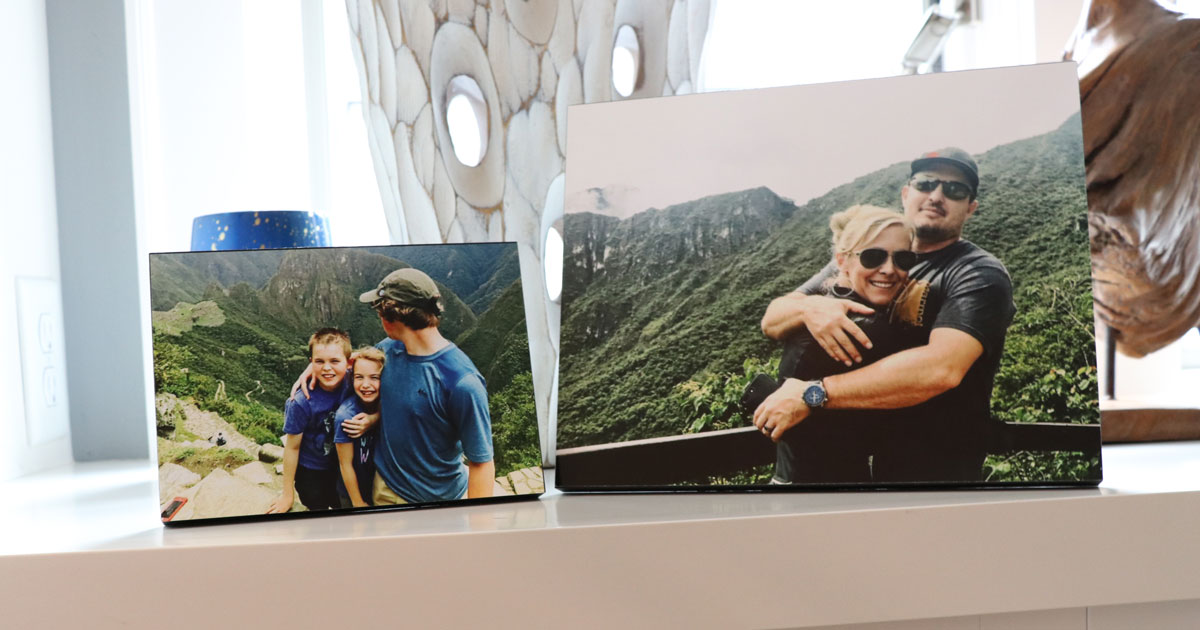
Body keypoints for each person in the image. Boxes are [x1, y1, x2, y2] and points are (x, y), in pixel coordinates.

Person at [755, 147, 1016, 481]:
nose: (936, 196)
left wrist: (812, 393)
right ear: (906, 194)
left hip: (938, 472)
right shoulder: (870, 255)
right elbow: (772, 318)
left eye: (955, 190)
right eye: (926, 184)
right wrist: (810, 307)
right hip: (862, 463)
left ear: (971, 208)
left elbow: (941, 369)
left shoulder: (977, 273)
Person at [771, 205, 924, 483]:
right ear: (842, 261)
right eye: (872, 257)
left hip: (791, 479)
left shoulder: (823, 309)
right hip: (826, 495)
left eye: (903, 259)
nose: (889, 270)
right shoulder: (864, 327)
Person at [358, 268, 495, 503]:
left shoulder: (462, 382)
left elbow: (481, 462)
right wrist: (313, 367)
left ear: (391, 315)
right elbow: (355, 361)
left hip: (440, 499)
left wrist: (478, 525)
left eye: (379, 308)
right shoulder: (389, 349)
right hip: (386, 488)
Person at [268, 328, 352, 513]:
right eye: (319, 361)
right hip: (311, 470)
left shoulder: (354, 381)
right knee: (316, 507)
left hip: (342, 466)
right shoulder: (301, 402)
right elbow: (292, 447)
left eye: (334, 361)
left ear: (348, 363)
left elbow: (376, 359)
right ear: (311, 363)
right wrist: (287, 494)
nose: (327, 368)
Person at [332, 346, 384, 508]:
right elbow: (345, 464)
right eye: (359, 377)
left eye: (374, 377)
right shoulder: (346, 417)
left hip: (379, 488)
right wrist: (357, 502)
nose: (366, 385)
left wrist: (376, 417)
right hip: (352, 493)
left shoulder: (387, 405)